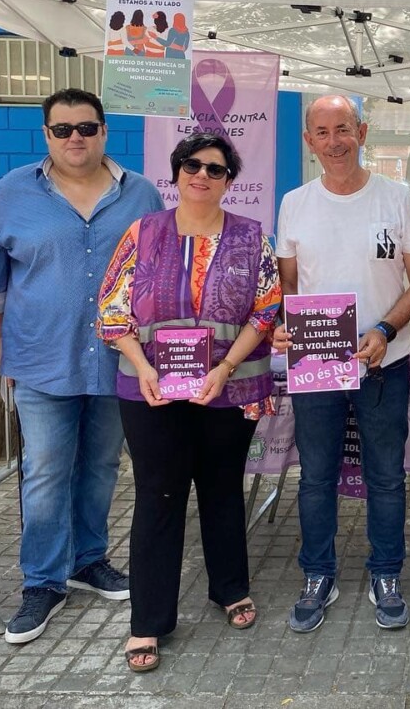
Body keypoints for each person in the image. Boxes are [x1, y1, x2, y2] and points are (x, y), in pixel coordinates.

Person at [0, 88, 162, 645]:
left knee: (102, 467)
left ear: (104, 131)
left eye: (86, 127)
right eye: (62, 130)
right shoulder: (11, 194)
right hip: (41, 358)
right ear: (46, 135)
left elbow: (154, 279)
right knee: (46, 473)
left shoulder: (143, 196)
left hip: (116, 361)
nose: (75, 137)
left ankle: (88, 560)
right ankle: (42, 582)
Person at [96, 133, 280, 673]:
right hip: (152, 391)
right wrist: (146, 365)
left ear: (229, 181)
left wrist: (224, 368)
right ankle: (148, 621)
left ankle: (229, 589)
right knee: (159, 495)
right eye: (192, 166)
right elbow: (112, 311)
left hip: (231, 389)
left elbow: (266, 310)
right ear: (176, 173)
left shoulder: (252, 239)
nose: (202, 175)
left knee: (223, 489)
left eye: (215, 169)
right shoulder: (142, 233)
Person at [274, 94, 410, 632]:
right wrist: (283, 325)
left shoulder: (398, 196)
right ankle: (318, 574)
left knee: (386, 476)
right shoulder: (294, 203)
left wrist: (386, 329)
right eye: (323, 131)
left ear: (361, 133)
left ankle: (386, 571)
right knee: (315, 476)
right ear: (309, 140)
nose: (334, 141)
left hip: (386, 361)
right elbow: (289, 287)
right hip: (317, 362)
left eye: (343, 128)